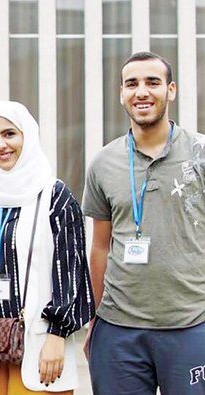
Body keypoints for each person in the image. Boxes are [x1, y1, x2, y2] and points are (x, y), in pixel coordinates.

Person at [83, 51, 205, 394]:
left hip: (192, 324)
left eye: (152, 82)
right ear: (121, 93)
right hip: (119, 331)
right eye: (131, 84)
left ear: (171, 90)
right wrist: (96, 318)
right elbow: (100, 245)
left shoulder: (200, 153)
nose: (141, 92)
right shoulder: (103, 163)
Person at [0, 101, 94, 394]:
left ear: (27, 135)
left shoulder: (55, 195)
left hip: (42, 348)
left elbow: (71, 269)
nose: (0, 145)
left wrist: (58, 334)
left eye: (9, 134)